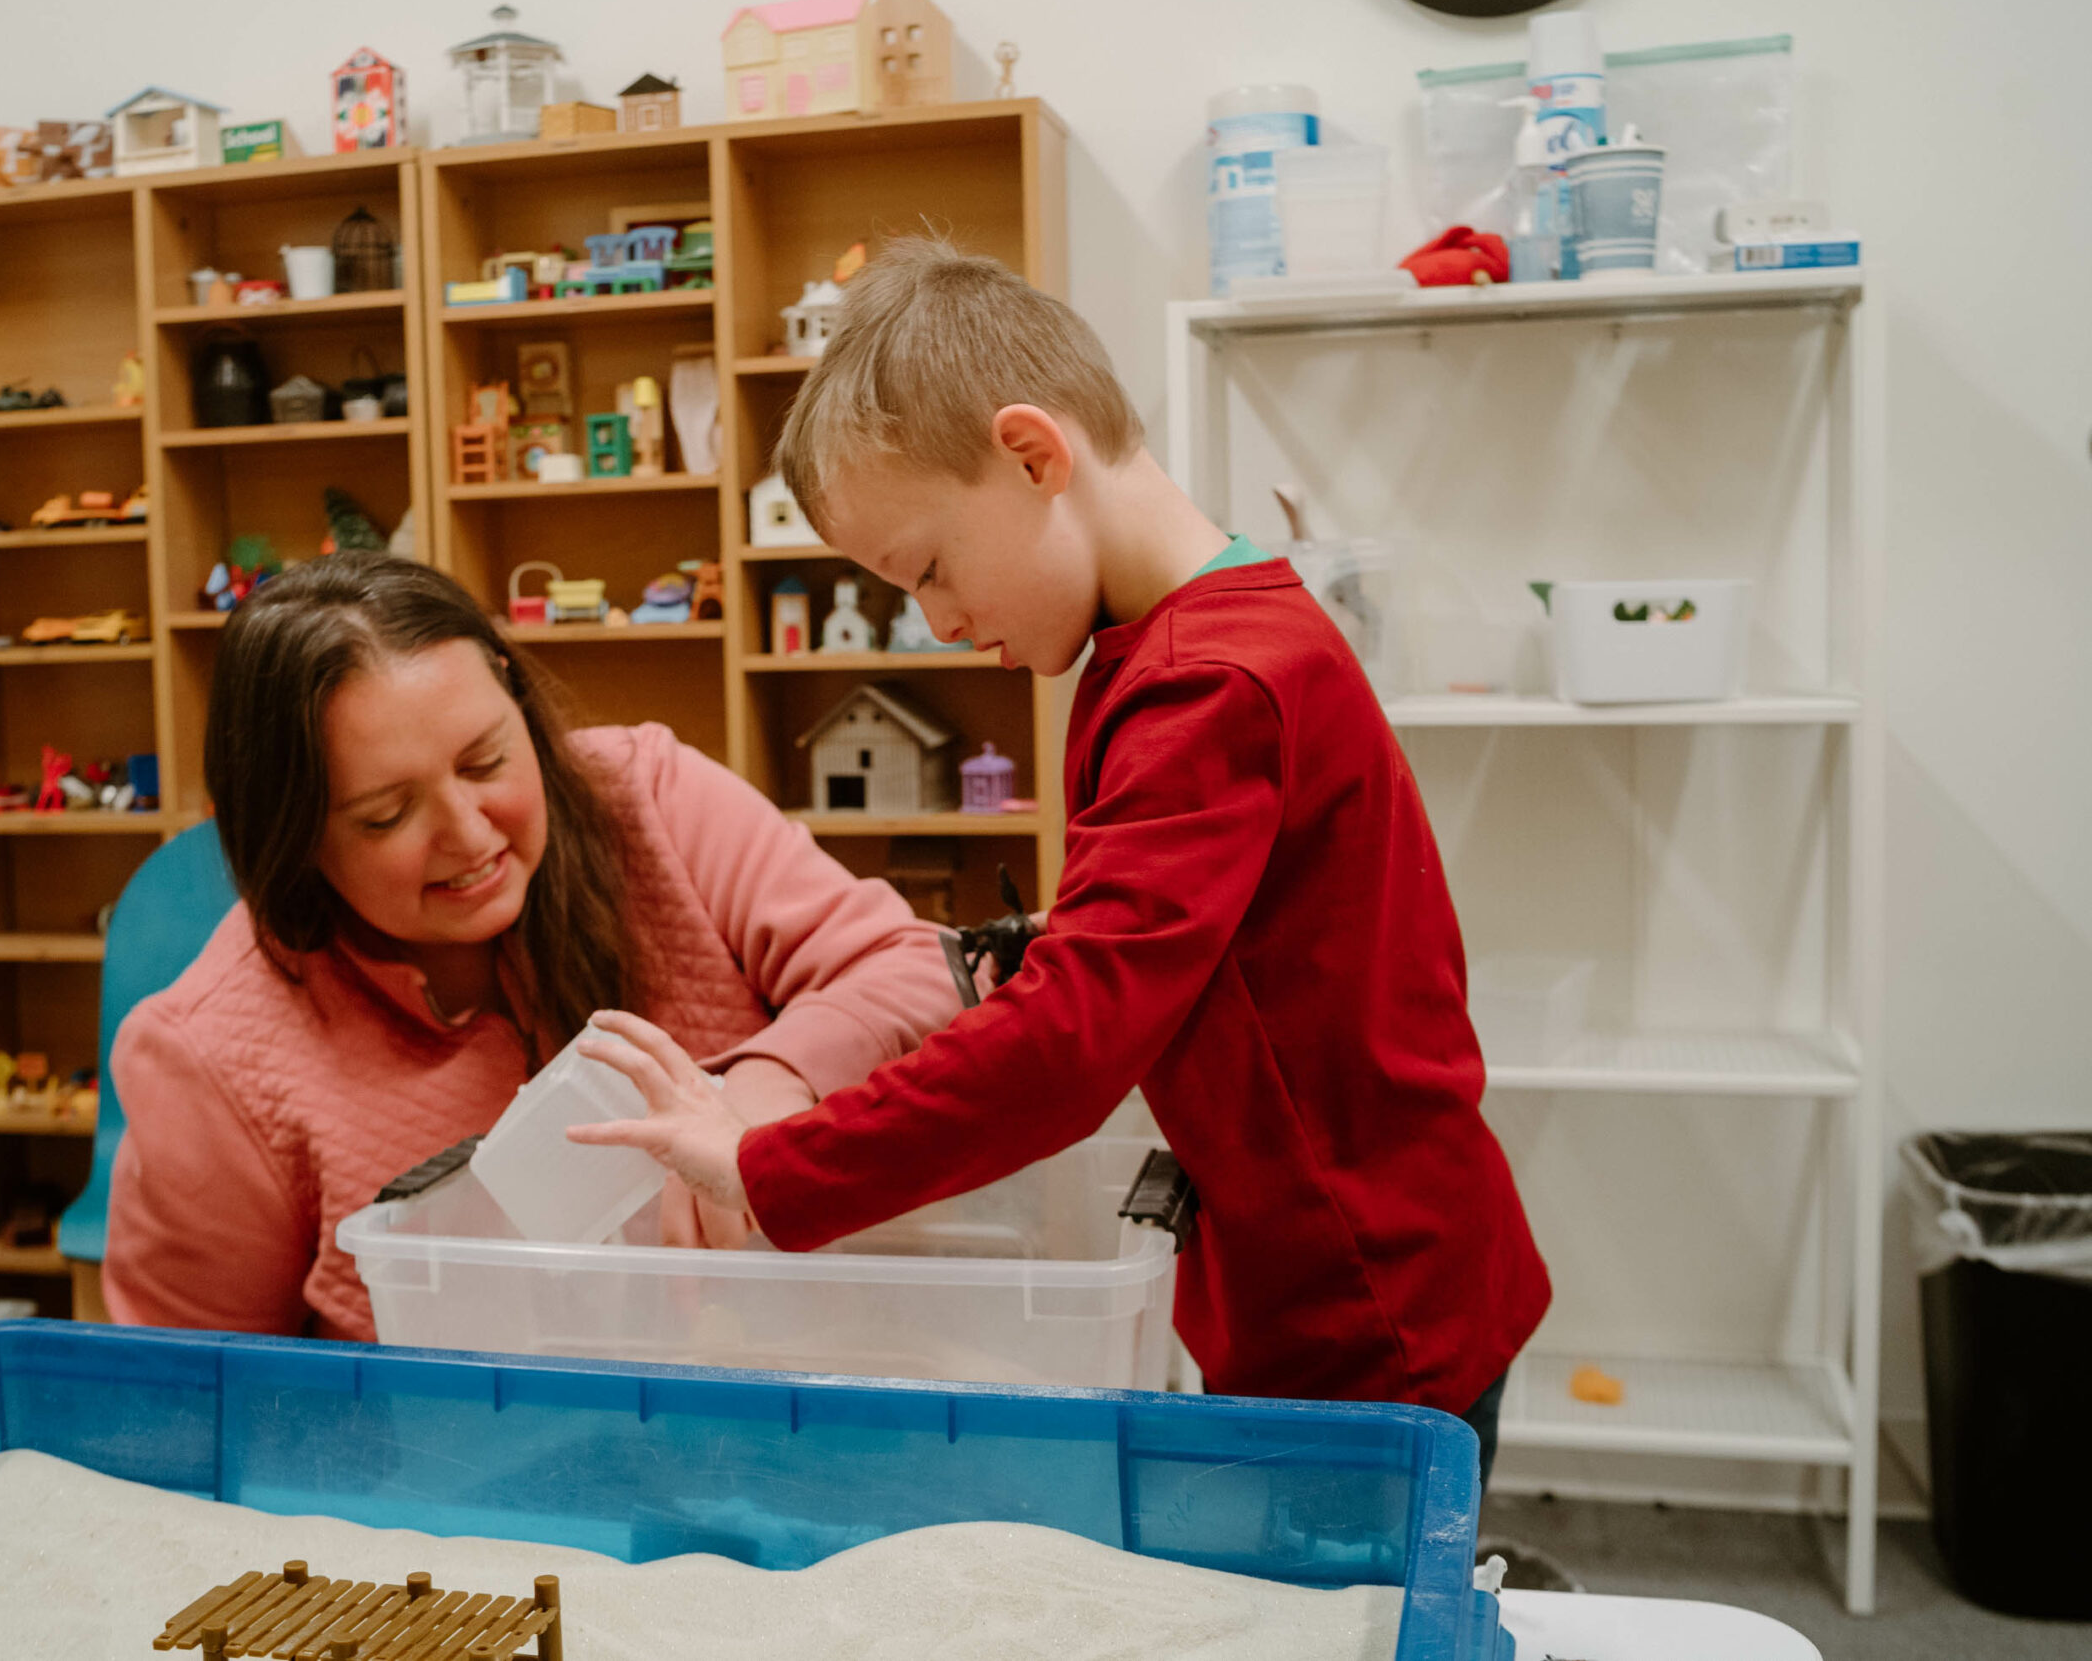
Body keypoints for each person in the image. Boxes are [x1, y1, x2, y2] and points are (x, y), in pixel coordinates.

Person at [571, 238, 1549, 1473]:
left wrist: (771, 1168)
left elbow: (1072, 1041)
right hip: (1343, 1266)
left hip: (1361, 1307)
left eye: (928, 569)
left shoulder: (1205, 685)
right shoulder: (1198, 636)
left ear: (1034, 456)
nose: (937, 622)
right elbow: (1220, 939)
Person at [102, 555, 961, 1338]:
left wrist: (769, 1083)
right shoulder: (209, 1058)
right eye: (387, 815)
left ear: (516, 697)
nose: (470, 834)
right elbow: (196, 1400)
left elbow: (915, 964)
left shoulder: (653, 799)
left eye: (485, 760)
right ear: (292, 840)